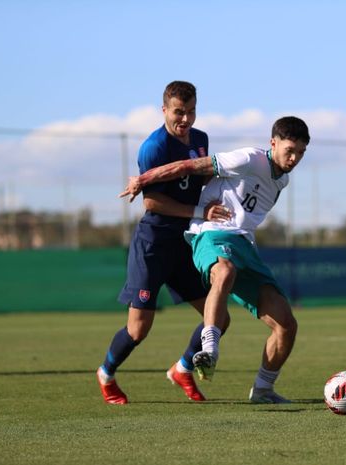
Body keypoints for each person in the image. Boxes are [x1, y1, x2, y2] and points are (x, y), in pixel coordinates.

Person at [121, 116, 310, 403]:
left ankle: (262, 390)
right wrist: (143, 179)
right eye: (290, 150)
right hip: (210, 234)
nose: (294, 158)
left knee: (286, 324)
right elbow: (190, 166)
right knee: (224, 272)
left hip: (244, 243)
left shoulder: (282, 179)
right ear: (273, 143)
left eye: (301, 153)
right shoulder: (249, 158)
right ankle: (209, 348)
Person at [97, 81, 231, 404]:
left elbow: (204, 178)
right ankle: (106, 374)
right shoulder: (153, 147)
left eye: (191, 111)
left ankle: (183, 368)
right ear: (164, 110)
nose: (185, 119)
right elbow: (152, 203)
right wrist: (200, 210)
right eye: (178, 112)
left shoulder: (200, 140)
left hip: (185, 244)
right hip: (154, 244)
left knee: (220, 318)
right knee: (138, 329)